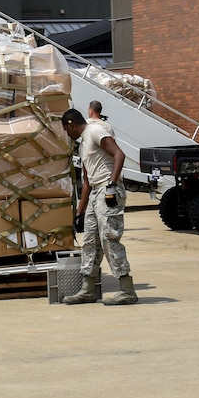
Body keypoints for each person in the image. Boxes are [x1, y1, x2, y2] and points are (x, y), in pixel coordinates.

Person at [61, 108, 138, 305]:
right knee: (89, 240)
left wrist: (112, 184)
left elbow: (119, 154)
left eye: (65, 129)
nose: (67, 134)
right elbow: (87, 181)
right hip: (95, 192)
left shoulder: (94, 131)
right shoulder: (82, 144)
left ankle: (127, 289)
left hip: (108, 190)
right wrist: (80, 212)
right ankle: (88, 289)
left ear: (71, 123)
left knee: (109, 238)